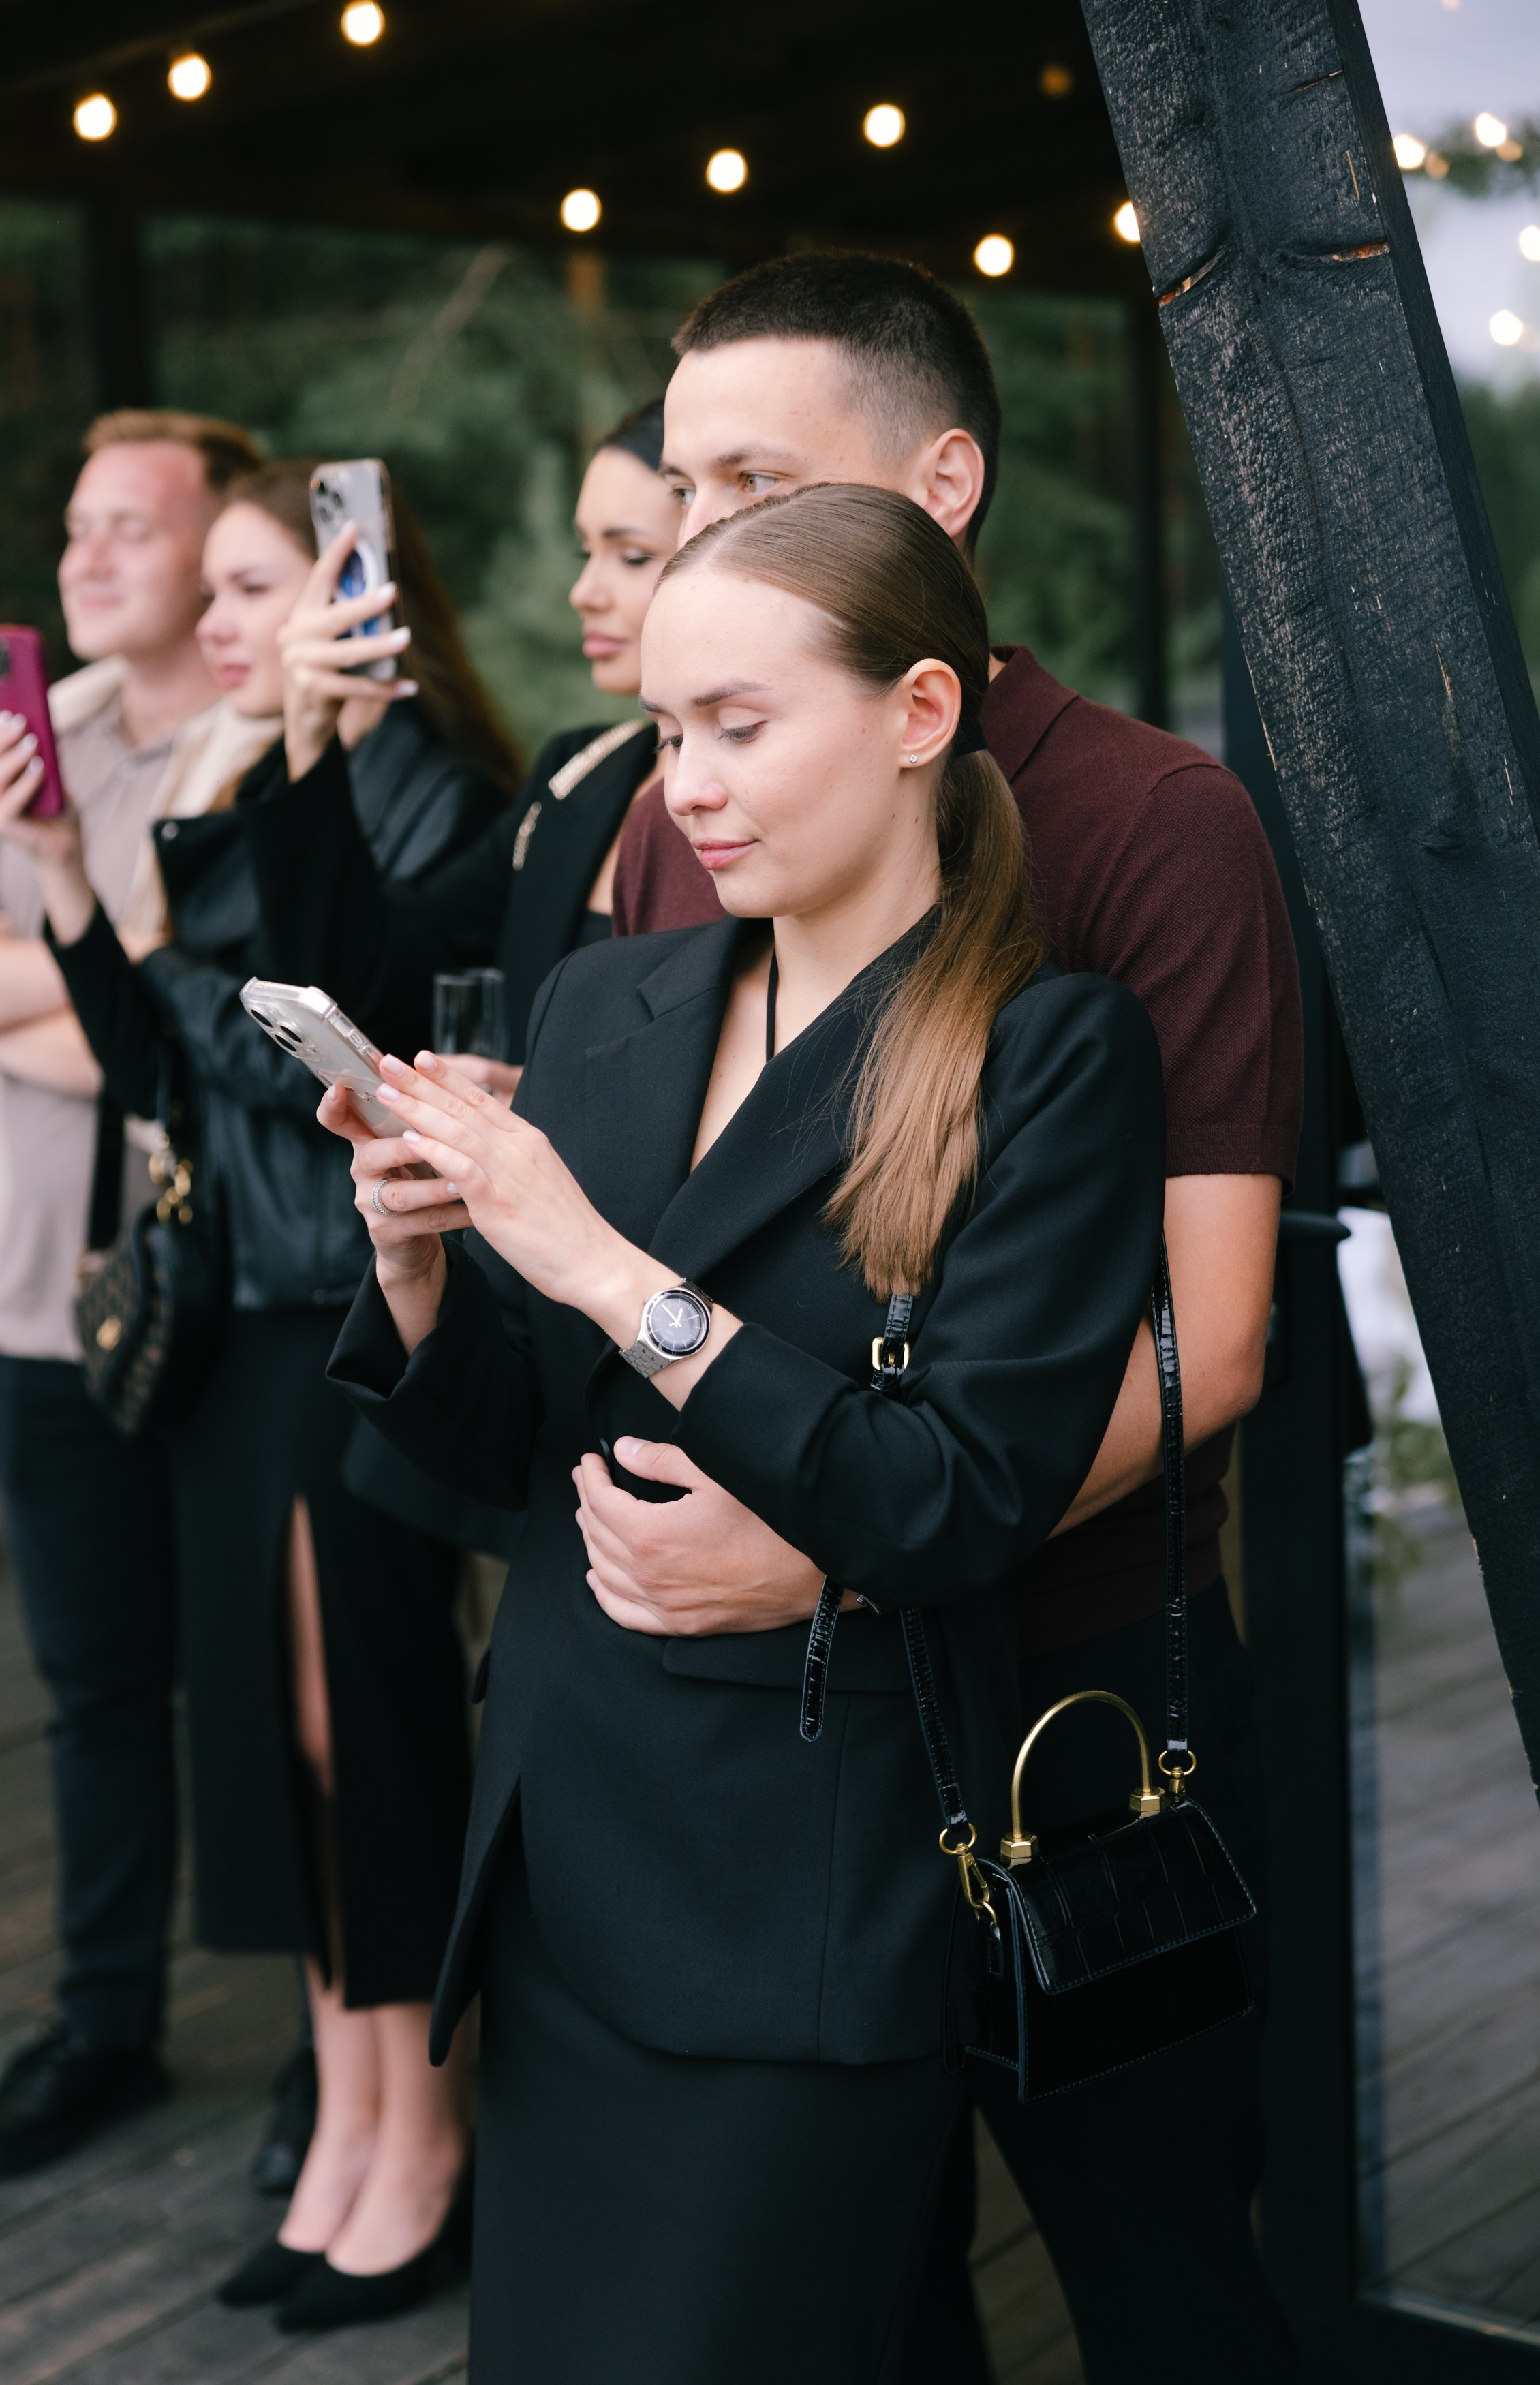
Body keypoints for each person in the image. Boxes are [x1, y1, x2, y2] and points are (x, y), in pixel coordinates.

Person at [322, 482, 1167, 2384]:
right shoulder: (611, 995)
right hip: (558, 1860)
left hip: (801, 1888)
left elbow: (951, 1501)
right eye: (672, 727)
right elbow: (516, 1462)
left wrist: (611, 1269)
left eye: (740, 724)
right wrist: (422, 1279)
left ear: (919, 713)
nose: (685, 781)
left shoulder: (1046, 1052)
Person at [598, 253, 1302, 2380]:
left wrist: (832, 1532)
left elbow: (1220, 1334)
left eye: (754, 475)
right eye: (680, 473)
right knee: (848, 2306)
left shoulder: (1152, 819)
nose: (696, 522)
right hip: (757, 1747)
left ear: (945, 479)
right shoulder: (668, 812)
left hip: (1058, 1701)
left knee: (1165, 2273)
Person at [0, 459, 512, 2331]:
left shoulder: (438, 783)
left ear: (356, 589)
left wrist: (238, 870)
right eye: (208, 588)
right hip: (236, 1324)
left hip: (343, 1306)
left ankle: (423, 2139)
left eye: (253, 581)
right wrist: (59, 874)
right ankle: (356, 2117)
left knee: (363, 1726)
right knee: (285, 1749)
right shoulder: (242, 773)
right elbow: (159, 1060)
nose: (217, 620)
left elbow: (332, 1047)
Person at [0, 408, 272, 2182]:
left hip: (226, 1293)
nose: (85, 559)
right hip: (40, 1289)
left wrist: (96, 1005)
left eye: (129, 530)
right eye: (78, 528)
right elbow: (138, 1024)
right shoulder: (22, 741)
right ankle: (103, 2020)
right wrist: (101, 1000)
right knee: (88, 1686)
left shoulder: (253, 751)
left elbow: (205, 1042)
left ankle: (337, 2037)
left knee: (251, 1666)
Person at [237, 398, 681, 1080]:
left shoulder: (756, 797)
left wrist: (532, 1103)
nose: (583, 590)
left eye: (631, 555)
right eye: (584, 551)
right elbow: (367, 983)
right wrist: (309, 736)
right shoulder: (578, 773)